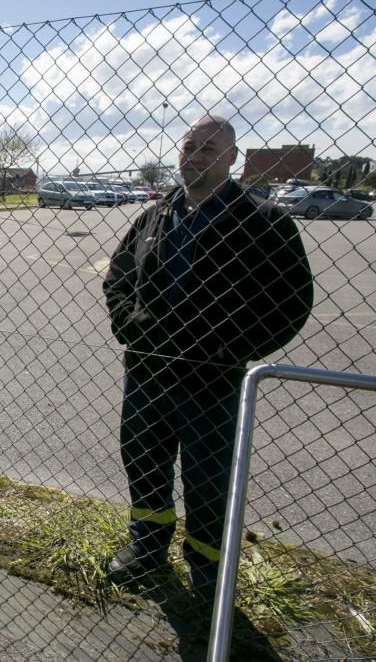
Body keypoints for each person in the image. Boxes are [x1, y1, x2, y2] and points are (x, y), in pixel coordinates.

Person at [103, 115, 314, 598]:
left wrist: (229, 349)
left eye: (209, 148)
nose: (195, 155)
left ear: (233, 158)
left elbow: (291, 303)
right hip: (147, 372)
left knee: (207, 476)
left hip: (211, 380)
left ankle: (207, 562)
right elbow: (117, 276)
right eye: (190, 145)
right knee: (144, 461)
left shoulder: (264, 222)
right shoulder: (156, 215)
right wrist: (126, 322)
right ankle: (147, 542)